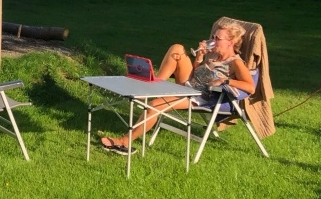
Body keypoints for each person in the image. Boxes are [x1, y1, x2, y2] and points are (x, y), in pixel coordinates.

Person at [100, 23, 255, 155]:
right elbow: (198, 73)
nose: (213, 40)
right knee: (177, 49)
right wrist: (199, 58)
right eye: (213, 37)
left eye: (217, 38)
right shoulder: (214, 56)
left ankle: (124, 142)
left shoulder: (235, 62)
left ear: (230, 42)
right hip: (190, 84)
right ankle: (154, 85)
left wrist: (226, 80)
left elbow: (250, 87)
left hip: (199, 96)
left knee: (155, 105)